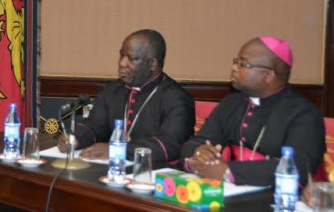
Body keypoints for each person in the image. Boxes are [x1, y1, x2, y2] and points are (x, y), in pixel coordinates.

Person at [180, 36, 325, 186]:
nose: (234, 68)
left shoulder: (304, 113)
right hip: (236, 194)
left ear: (268, 75)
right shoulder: (232, 103)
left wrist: (229, 172)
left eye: (243, 64)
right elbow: (196, 141)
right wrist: (199, 154)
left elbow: (298, 166)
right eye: (236, 62)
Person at [57, 29, 195, 166]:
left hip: (153, 175)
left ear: (152, 64)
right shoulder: (113, 90)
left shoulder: (177, 99)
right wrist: (75, 138)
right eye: (121, 56)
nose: (122, 63)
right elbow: (95, 125)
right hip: (111, 170)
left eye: (131, 58)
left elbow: (168, 146)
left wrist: (117, 150)